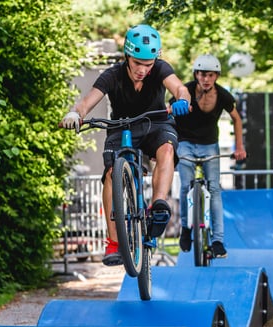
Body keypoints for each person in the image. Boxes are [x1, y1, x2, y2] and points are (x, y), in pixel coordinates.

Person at [60, 24, 191, 266]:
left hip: (155, 123)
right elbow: (87, 102)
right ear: (127, 56)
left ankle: (159, 205)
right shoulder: (112, 75)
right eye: (138, 63)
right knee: (111, 174)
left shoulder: (161, 69)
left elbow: (180, 88)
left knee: (167, 149)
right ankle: (113, 243)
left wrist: (183, 99)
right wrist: (74, 114)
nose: (143, 69)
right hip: (120, 126)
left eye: (148, 64)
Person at [171, 54, 247, 258]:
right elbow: (168, 114)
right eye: (202, 75)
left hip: (210, 146)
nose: (206, 79)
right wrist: (166, 145)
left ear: (216, 76)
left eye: (210, 75)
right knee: (186, 187)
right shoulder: (184, 91)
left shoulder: (223, 96)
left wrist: (239, 147)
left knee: (214, 189)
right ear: (196, 75)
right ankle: (186, 229)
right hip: (185, 143)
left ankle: (218, 241)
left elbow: (237, 119)